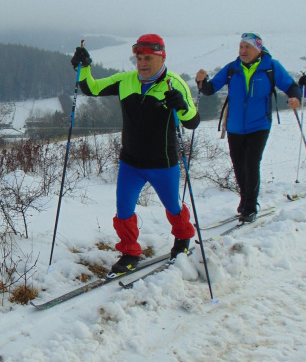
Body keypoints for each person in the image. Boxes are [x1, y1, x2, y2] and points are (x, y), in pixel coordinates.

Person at [71, 34, 200, 275]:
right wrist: (84, 67)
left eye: (148, 58)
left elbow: (192, 122)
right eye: (139, 57)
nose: (142, 63)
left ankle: (183, 239)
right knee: (124, 211)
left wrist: (181, 105)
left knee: (173, 206)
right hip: (130, 162)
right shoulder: (126, 81)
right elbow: (92, 89)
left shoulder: (175, 84)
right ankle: (130, 252)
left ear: (162, 57)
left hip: (163, 163)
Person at [196, 33, 300, 223]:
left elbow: (291, 86)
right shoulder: (232, 68)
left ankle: (250, 207)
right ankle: (245, 200)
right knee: (239, 166)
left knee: (251, 164)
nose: (243, 51)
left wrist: (295, 98)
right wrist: (201, 81)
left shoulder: (271, 67)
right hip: (235, 126)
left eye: (247, 47)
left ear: (258, 49)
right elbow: (209, 90)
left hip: (259, 124)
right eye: (241, 47)